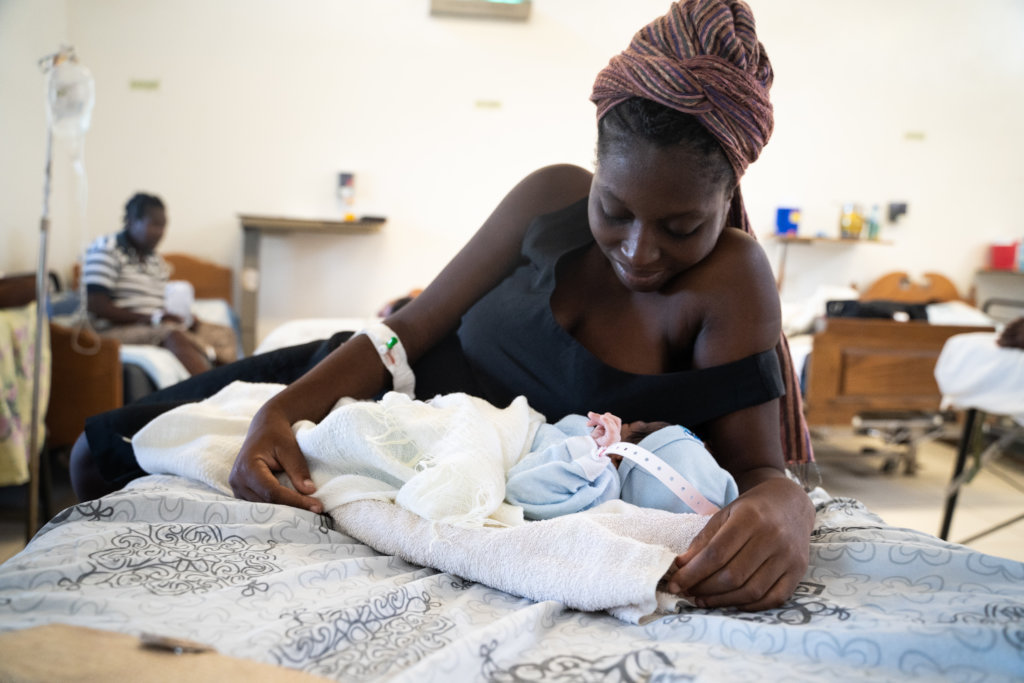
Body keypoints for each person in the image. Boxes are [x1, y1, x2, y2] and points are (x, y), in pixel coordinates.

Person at [71, 0, 815, 611]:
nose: (638, 250)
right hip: (372, 387)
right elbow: (411, 328)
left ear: (729, 199)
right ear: (594, 169)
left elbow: (761, 469)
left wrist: (788, 510)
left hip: (442, 462)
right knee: (95, 454)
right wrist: (280, 410)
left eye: (681, 227)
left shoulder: (733, 281)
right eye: (613, 209)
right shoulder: (548, 198)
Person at [82, 192, 238, 375]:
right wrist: (151, 319)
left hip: (154, 325)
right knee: (170, 333)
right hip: (113, 329)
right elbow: (96, 305)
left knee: (224, 335)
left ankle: (227, 387)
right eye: (155, 225)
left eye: (164, 226)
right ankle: (208, 392)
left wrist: (185, 318)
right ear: (132, 221)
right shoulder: (106, 250)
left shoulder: (156, 262)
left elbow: (160, 305)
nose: (161, 232)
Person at [505, 410, 739, 520]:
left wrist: (591, 452)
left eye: (631, 425)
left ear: (618, 455)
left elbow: (519, 490)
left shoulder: (600, 482)